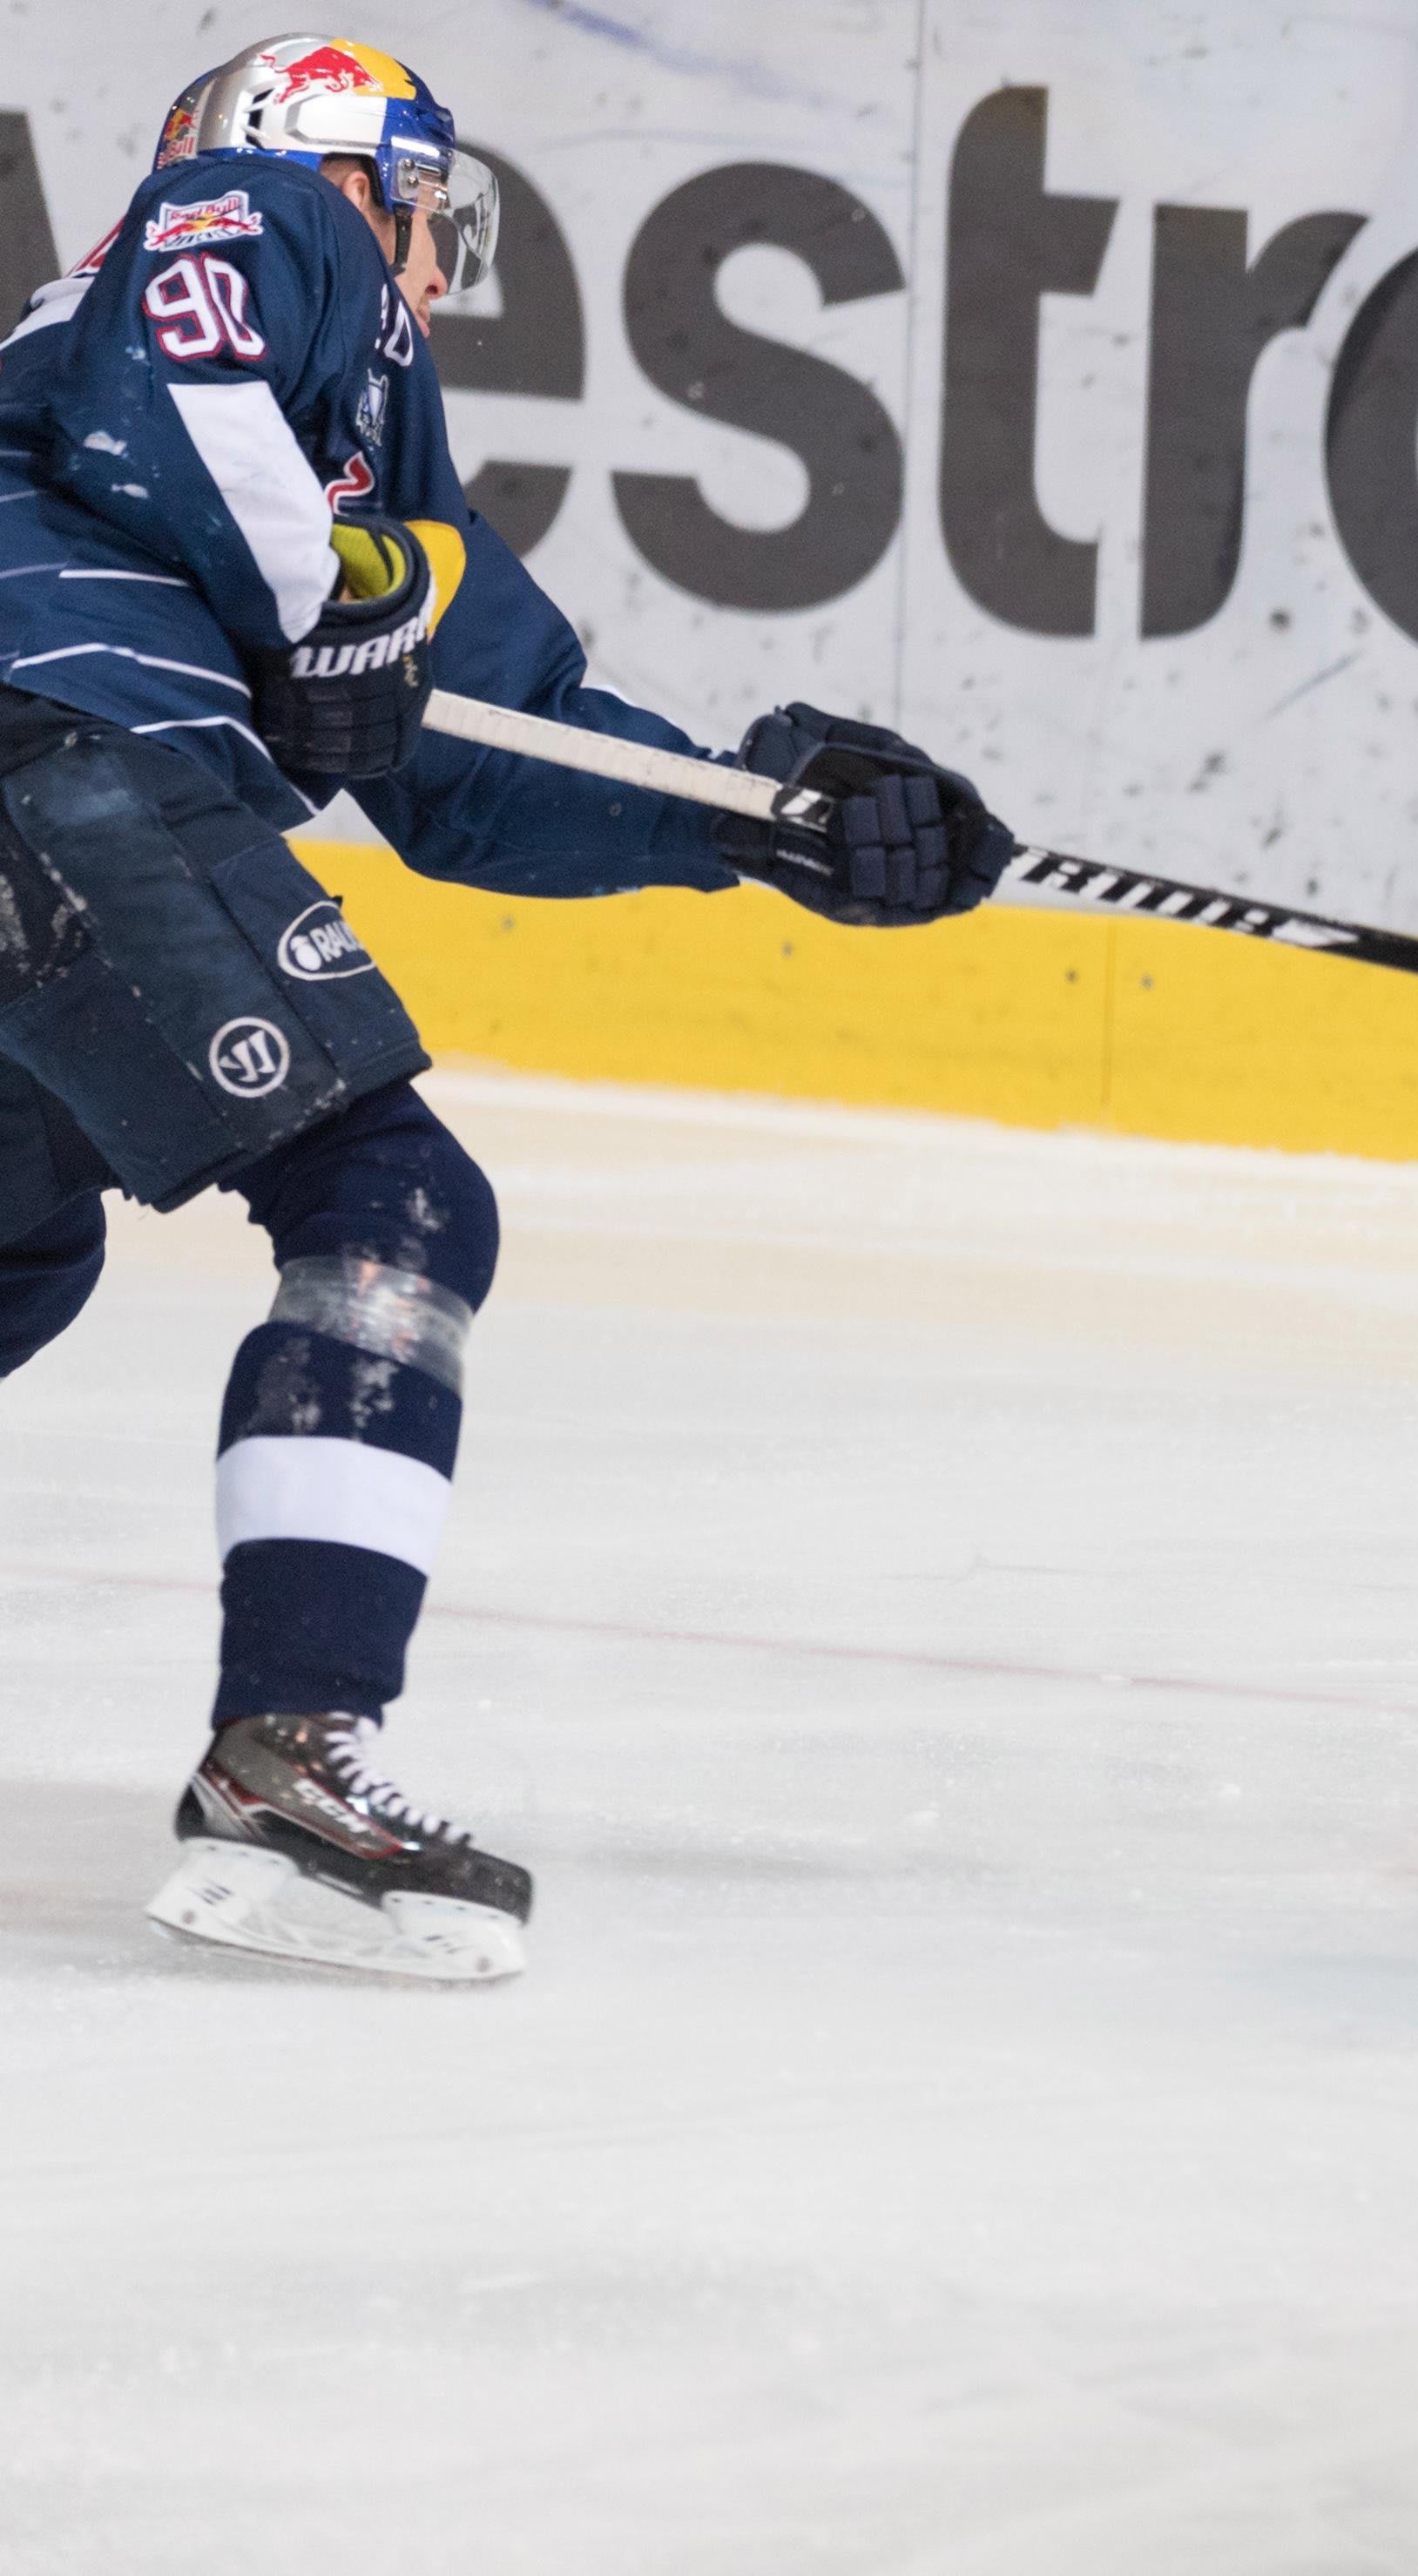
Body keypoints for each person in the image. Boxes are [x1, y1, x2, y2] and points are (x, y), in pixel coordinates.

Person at [0, 36, 1013, 1982]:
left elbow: (486, 763)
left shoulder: (363, 441)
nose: (435, 262)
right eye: (426, 206)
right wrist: (329, 593)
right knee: (388, 1200)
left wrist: (767, 817)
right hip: (53, 746)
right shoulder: (261, 227)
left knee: (22, 1246)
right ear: (354, 176)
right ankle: (286, 1767)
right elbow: (194, 399)